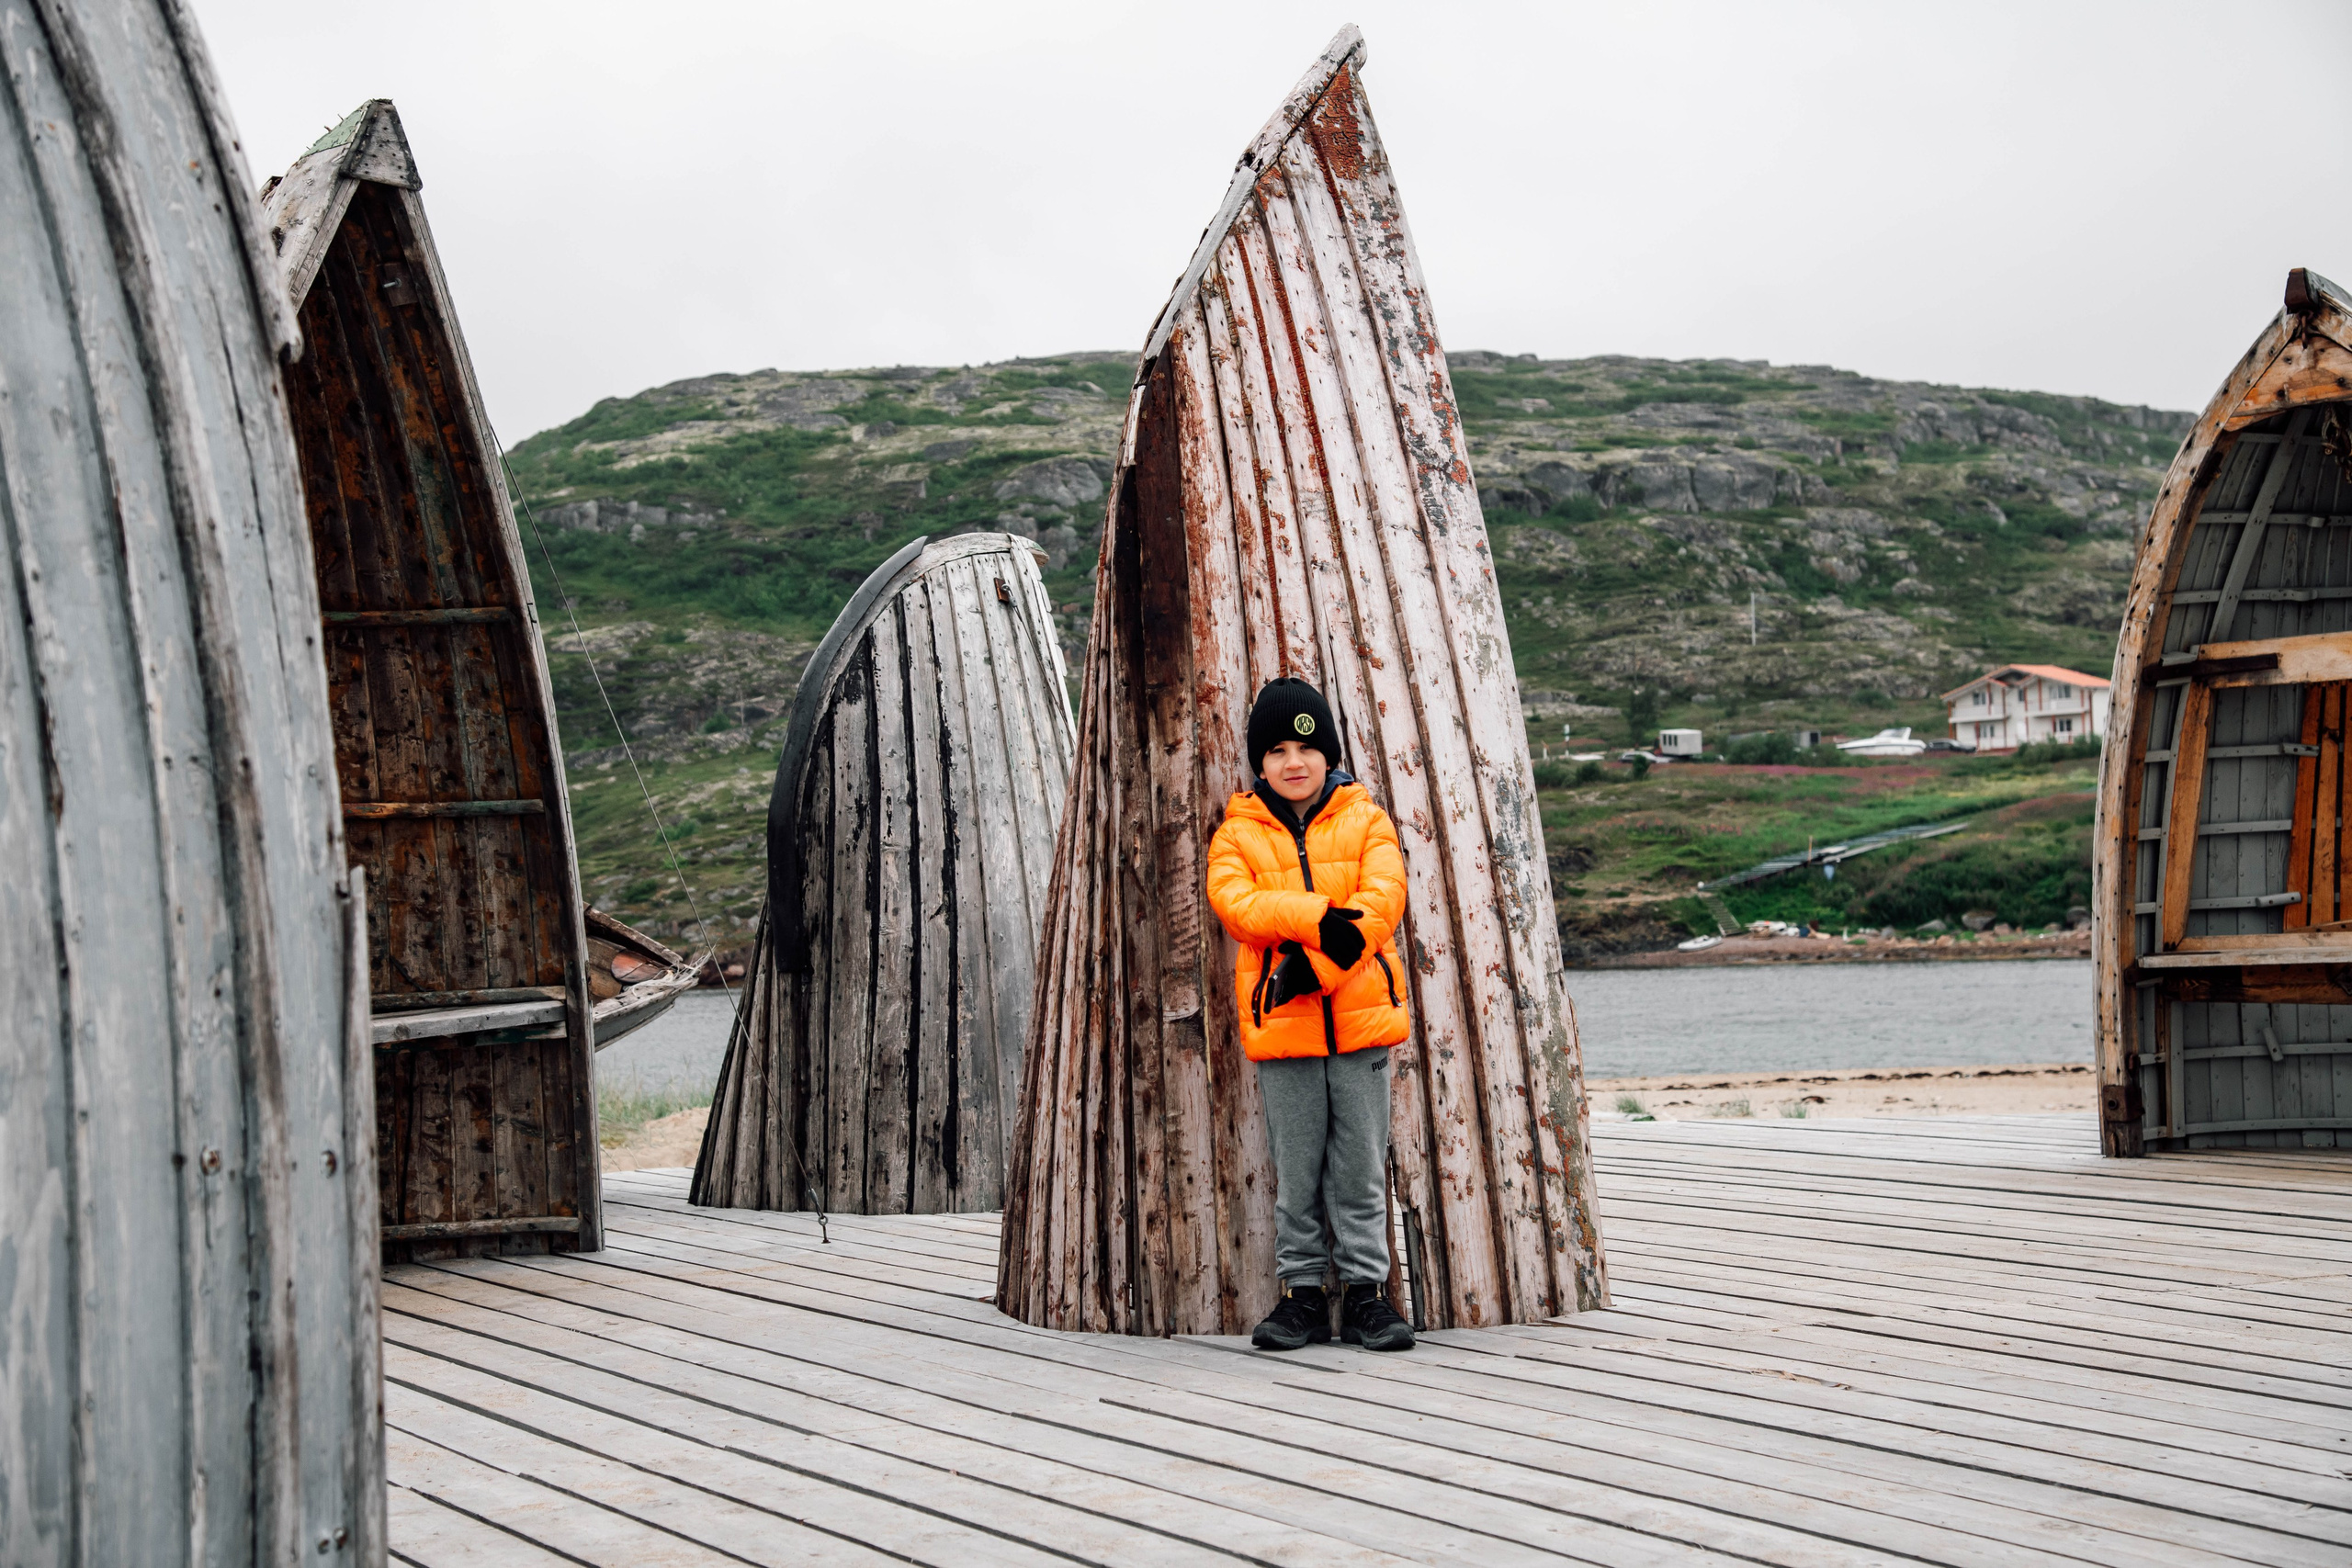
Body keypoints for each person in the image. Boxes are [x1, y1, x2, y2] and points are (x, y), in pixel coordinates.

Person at [1204, 676, 1416, 1352]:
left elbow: (1382, 901)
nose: (1293, 761)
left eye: (1305, 745)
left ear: (1327, 751)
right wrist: (1321, 917)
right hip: (1284, 1030)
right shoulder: (1236, 833)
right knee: (1296, 1171)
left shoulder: (1367, 819)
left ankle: (1366, 1297)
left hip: (1361, 1023)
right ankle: (1299, 1296)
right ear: (1258, 764)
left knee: (1358, 1168)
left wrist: (1312, 964)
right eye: (1275, 750)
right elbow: (1238, 906)